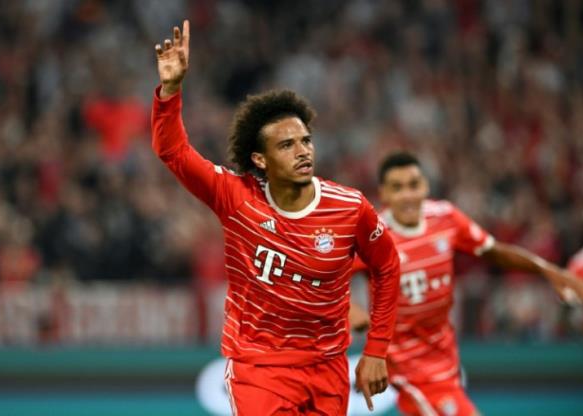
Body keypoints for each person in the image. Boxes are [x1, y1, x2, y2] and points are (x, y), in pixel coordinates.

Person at [151, 20, 401, 415]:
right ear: (259, 159)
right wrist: (170, 91)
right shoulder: (235, 197)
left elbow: (387, 265)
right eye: (287, 145)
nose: (302, 151)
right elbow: (174, 152)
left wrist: (377, 350)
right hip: (259, 368)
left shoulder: (349, 207)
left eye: (305, 141)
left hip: (328, 368)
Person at [351, 151, 583, 416]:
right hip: (405, 367)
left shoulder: (446, 218)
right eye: (397, 187)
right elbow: (326, 277)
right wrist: (349, 309)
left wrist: (546, 270)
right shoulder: (374, 235)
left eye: (413, 185)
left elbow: (492, 251)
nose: (407, 195)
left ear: (425, 186)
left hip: (445, 359)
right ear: (384, 194)